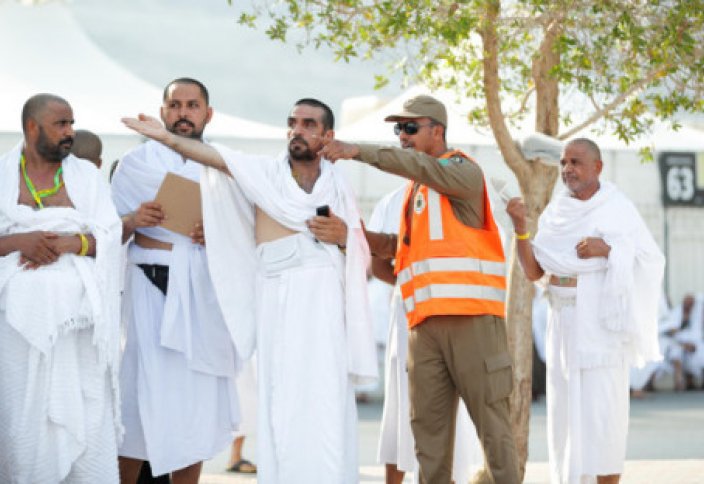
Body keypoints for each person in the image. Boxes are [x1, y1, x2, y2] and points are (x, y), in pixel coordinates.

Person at [121, 97, 377, 484]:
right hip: (279, 302)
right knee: (283, 403)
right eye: (292, 122)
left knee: (326, 402)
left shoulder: (338, 183)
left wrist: (345, 237)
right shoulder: (264, 173)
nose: (298, 130)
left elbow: (358, 248)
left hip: (325, 307)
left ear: (328, 135)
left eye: (309, 124)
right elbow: (214, 158)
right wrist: (167, 139)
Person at [320, 94, 520, 484]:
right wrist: (351, 235)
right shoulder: (418, 192)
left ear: (437, 131)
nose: (402, 136)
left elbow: (412, 164)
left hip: (473, 323)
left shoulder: (463, 171)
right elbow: (403, 250)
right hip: (423, 328)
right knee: (427, 437)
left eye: (410, 128)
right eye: (398, 129)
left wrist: (356, 150)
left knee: (493, 432)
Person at [505, 138, 665, 483]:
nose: (567, 170)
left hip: (601, 330)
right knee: (566, 420)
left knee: (602, 421)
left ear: (598, 167)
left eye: (576, 162)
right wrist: (520, 231)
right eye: (563, 163)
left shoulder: (617, 207)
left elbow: (650, 260)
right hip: (562, 326)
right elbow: (535, 272)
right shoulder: (557, 212)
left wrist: (608, 249)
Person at [112, 78, 240, 483]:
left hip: (202, 299)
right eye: (175, 105)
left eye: (192, 105)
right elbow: (104, 232)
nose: (183, 113)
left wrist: (216, 233)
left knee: (195, 411)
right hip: (148, 291)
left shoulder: (225, 167)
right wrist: (134, 220)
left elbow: (245, 232)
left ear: (208, 113)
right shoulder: (136, 165)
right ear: (163, 111)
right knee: (134, 405)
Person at [0, 94, 122, 482]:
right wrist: (22, 242)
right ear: (32, 127)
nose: (70, 133)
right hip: (17, 333)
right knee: (24, 426)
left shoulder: (86, 177)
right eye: (61, 124)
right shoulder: (2, 173)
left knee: (85, 426)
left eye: (72, 123)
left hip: (78, 333)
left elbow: (110, 237)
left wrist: (71, 244)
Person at [370, 186, 483, 484]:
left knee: (447, 413)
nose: (404, 138)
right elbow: (378, 264)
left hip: (453, 317)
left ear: (435, 135)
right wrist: (415, 281)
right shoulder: (390, 202)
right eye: (400, 135)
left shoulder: (459, 193)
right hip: (407, 315)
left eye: (411, 134)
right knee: (399, 410)